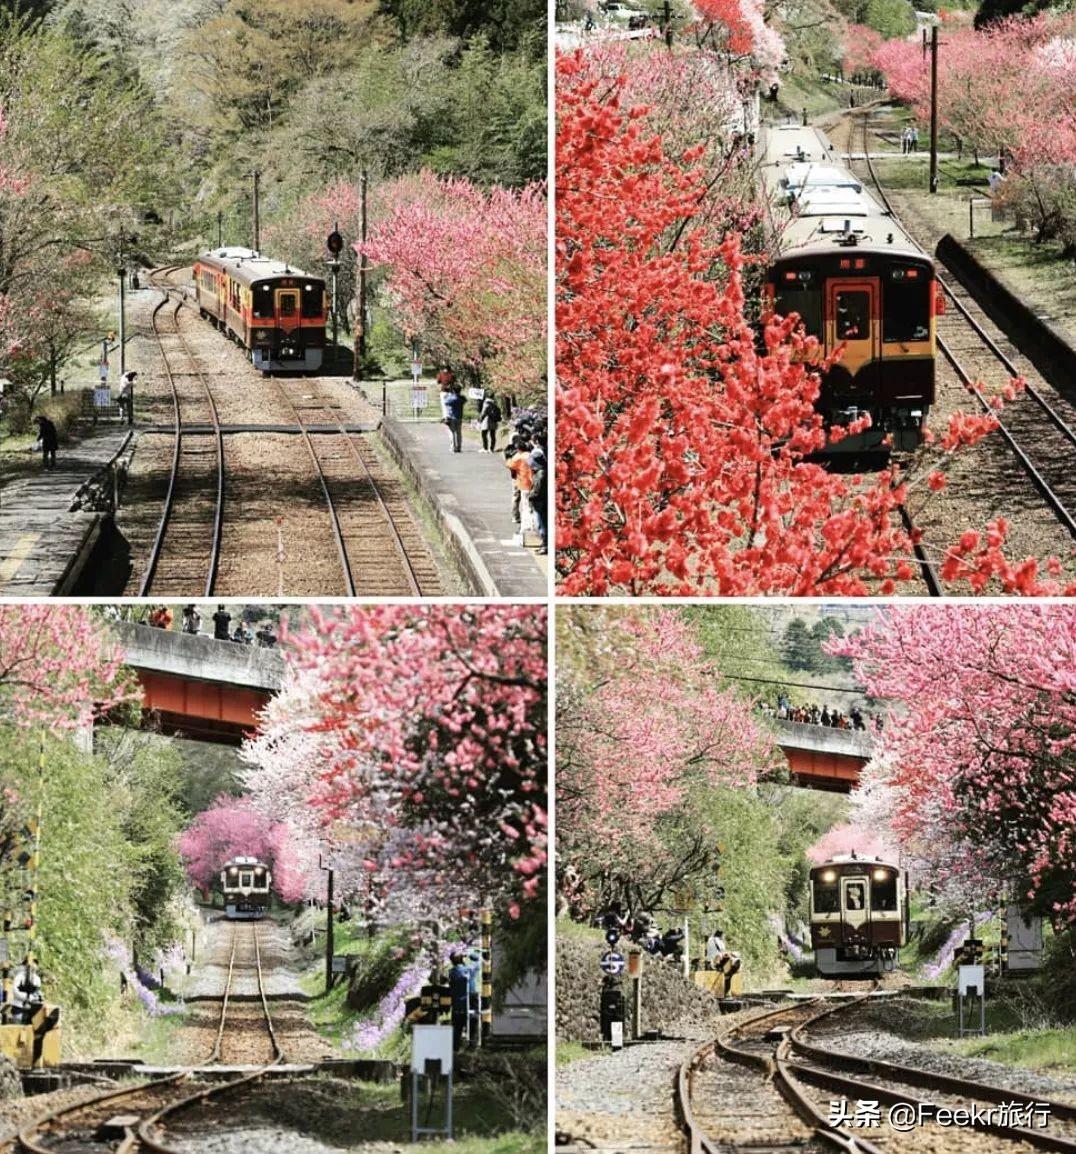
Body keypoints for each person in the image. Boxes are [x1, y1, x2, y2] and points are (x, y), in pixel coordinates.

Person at [447, 949, 480, 1051]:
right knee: (473, 1026)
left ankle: (455, 1050)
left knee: (457, 1028)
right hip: (470, 1002)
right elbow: (478, 960)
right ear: (462, 959)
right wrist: (469, 954)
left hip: (457, 1004)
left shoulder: (452, 973)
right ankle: (471, 1047)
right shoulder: (469, 970)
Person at [505, 440, 534, 546]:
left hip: (524, 484)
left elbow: (509, 464)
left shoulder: (519, 457)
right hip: (533, 484)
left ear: (518, 449)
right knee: (531, 507)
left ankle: (526, 528)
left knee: (526, 507)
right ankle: (530, 526)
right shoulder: (530, 455)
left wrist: (511, 456)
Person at [528, 437, 548, 555]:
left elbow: (537, 489)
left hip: (539, 502)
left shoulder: (541, 474)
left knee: (542, 525)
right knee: (540, 524)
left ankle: (545, 546)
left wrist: (531, 496)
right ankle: (543, 544)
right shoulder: (540, 471)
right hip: (539, 502)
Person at [443, 386, 465, 453]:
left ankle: (453, 447)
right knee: (459, 433)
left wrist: (448, 394)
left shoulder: (451, 398)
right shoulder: (461, 398)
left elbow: (445, 402)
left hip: (451, 418)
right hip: (459, 417)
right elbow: (465, 400)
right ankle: (459, 447)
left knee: (452, 433)